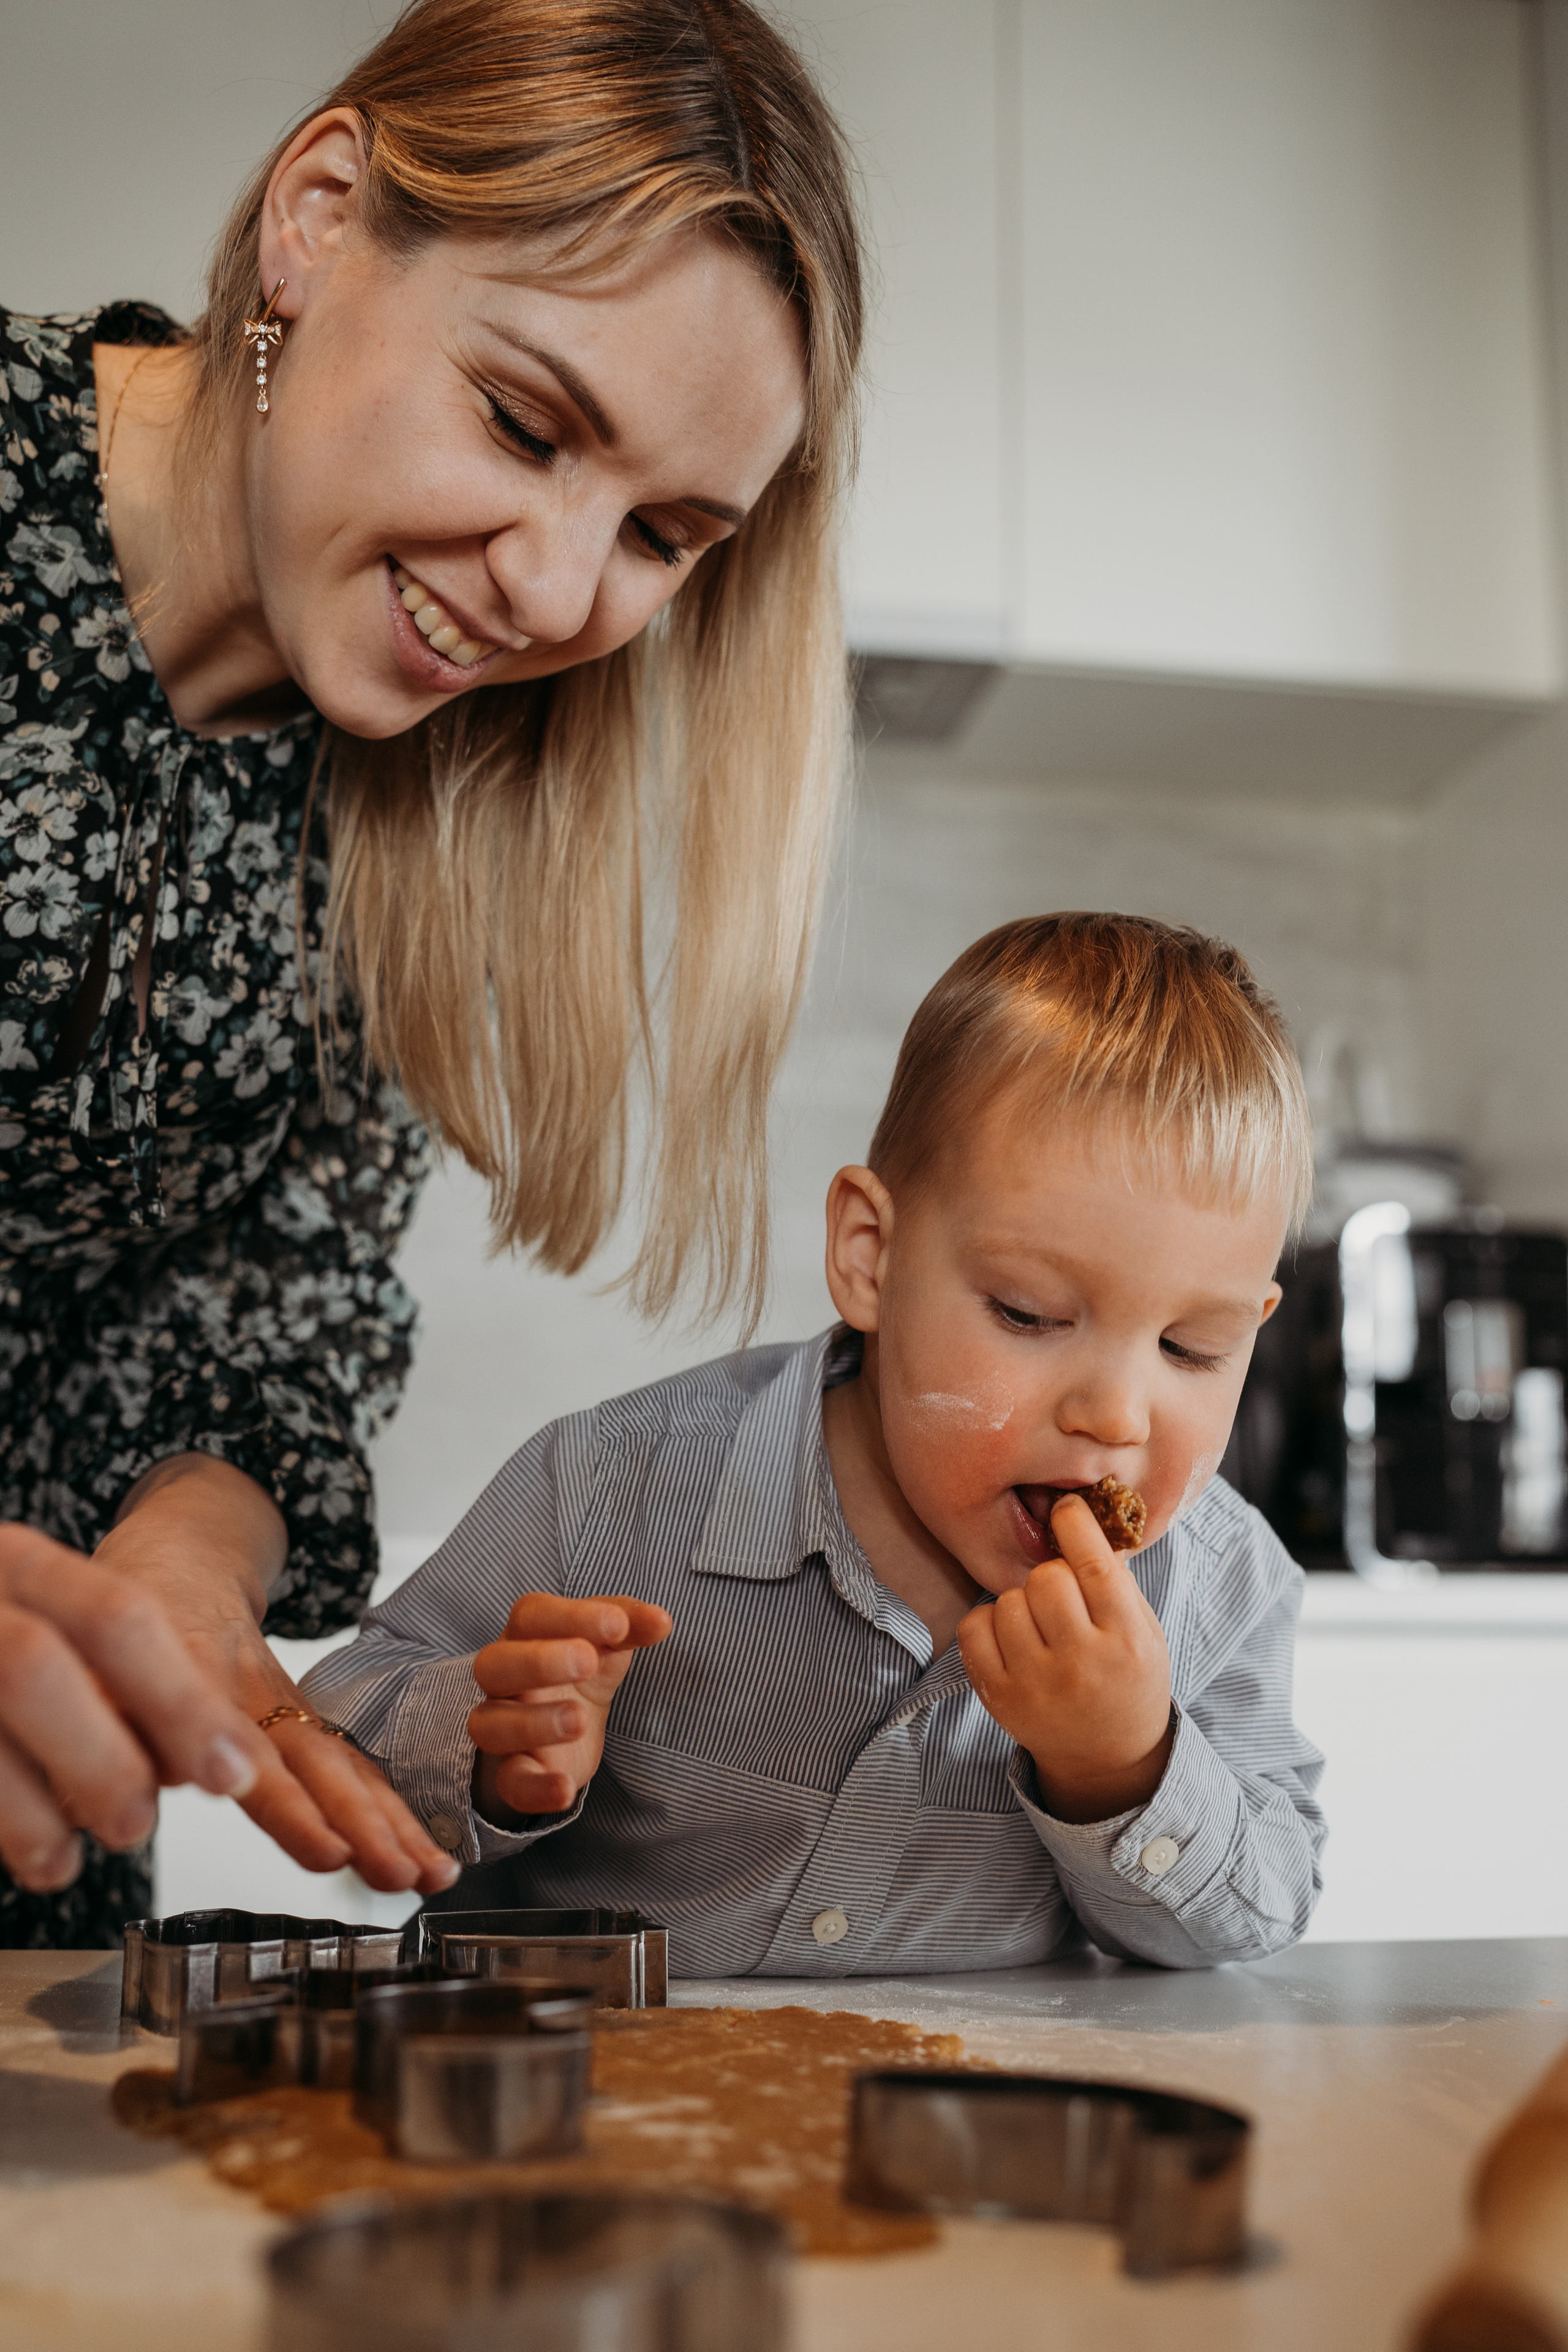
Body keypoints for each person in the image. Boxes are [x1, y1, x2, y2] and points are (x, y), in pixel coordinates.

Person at [0, 0, 864, 1945]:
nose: (562, 597)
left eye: (661, 534)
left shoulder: (428, 790)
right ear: (317, 216)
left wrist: (184, 1578)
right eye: (525, 422)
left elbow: (271, 1312)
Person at [304, 914, 1327, 1973]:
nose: (1116, 1417)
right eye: (1027, 1314)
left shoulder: (1221, 1586)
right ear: (871, 1257)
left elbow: (1254, 1919)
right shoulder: (611, 1486)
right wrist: (490, 1745)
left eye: (1192, 1349)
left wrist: (1125, 1766)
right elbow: (340, 1724)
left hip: (963, 2122)